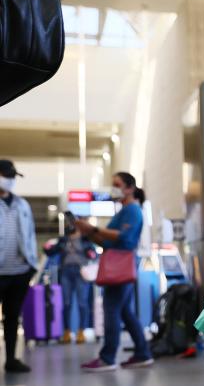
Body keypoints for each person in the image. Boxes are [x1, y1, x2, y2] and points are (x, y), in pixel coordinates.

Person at [75, 172, 151, 372]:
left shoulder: (133, 211)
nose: (114, 188)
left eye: (117, 184)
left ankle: (108, 357)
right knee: (125, 311)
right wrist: (89, 232)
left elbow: (123, 236)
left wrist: (93, 228)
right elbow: (107, 240)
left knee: (111, 309)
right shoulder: (122, 212)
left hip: (120, 264)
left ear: (130, 188)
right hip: (117, 262)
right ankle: (142, 353)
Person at [0, 159, 37, 374]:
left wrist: (31, 265)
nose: (10, 180)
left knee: (13, 317)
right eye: (7, 176)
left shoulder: (22, 204)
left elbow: (30, 235)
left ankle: (11, 359)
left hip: (20, 272)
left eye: (13, 176)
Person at [44, 216, 97, 344]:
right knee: (66, 303)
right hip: (66, 272)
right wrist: (47, 248)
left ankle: (81, 332)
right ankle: (67, 331)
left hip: (81, 272)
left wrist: (90, 253)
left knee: (82, 303)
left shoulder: (85, 239)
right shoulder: (64, 239)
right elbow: (51, 252)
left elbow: (93, 254)